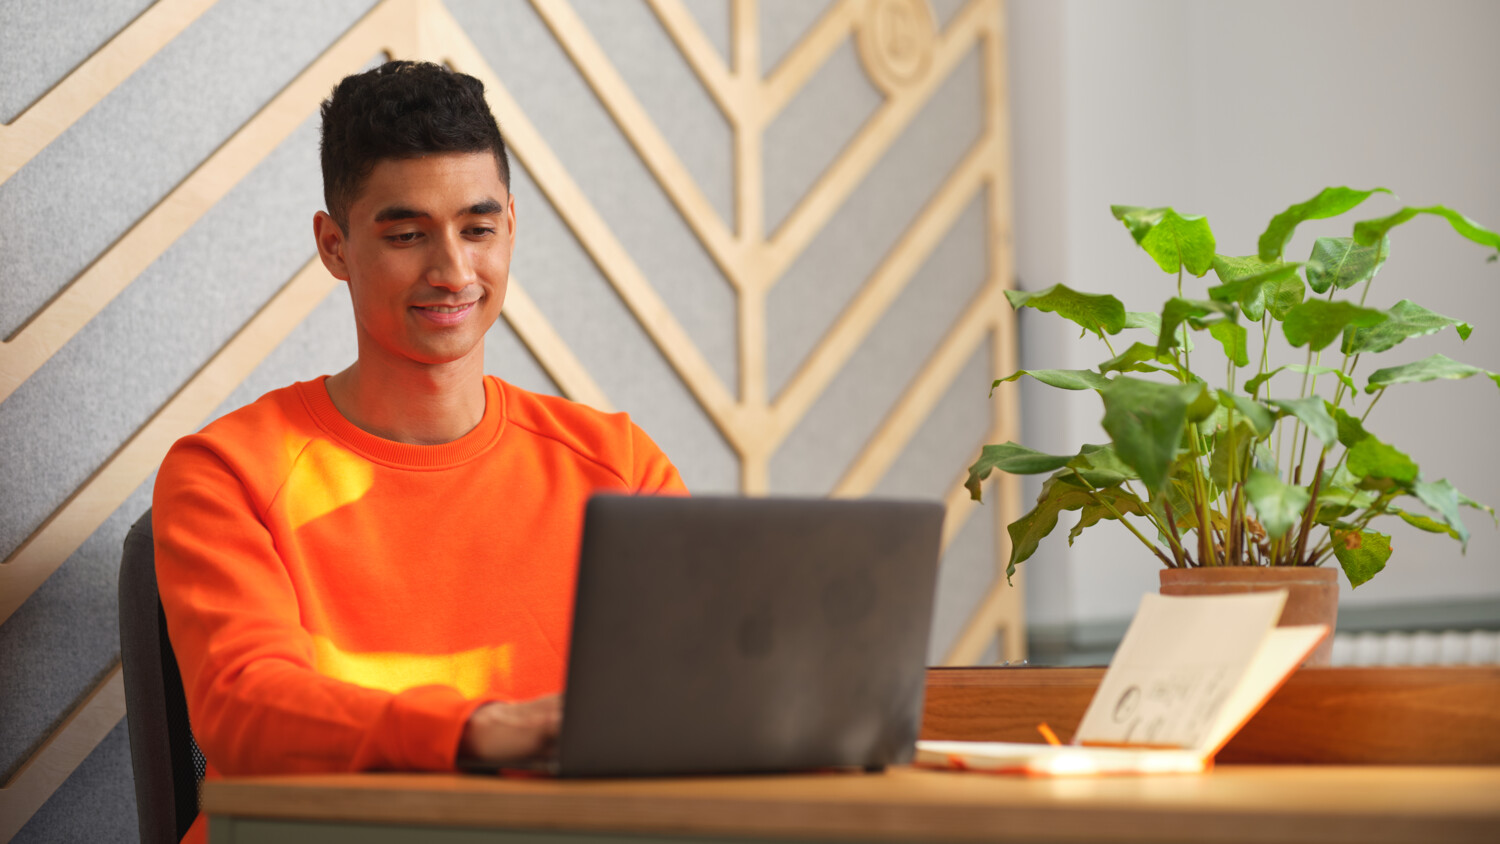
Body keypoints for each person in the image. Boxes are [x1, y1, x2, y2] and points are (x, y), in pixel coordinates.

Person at [153, 60, 687, 843]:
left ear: (511, 224)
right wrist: (476, 731)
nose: (452, 272)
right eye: (406, 235)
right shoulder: (227, 471)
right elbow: (247, 709)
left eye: (478, 229)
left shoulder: (621, 466)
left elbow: (697, 698)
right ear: (334, 247)